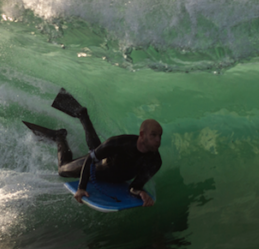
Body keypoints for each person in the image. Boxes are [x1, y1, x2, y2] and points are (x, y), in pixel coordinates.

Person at [23, 89, 162, 207]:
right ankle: (59, 136)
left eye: (160, 136)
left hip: (109, 166)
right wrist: (81, 188)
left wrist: (140, 192)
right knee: (63, 170)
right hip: (95, 168)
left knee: (97, 149)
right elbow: (90, 159)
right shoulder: (120, 143)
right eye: (153, 135)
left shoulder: (155, 161)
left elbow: (134, 187)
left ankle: (83, 115)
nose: (158, 141)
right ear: (142, 135)